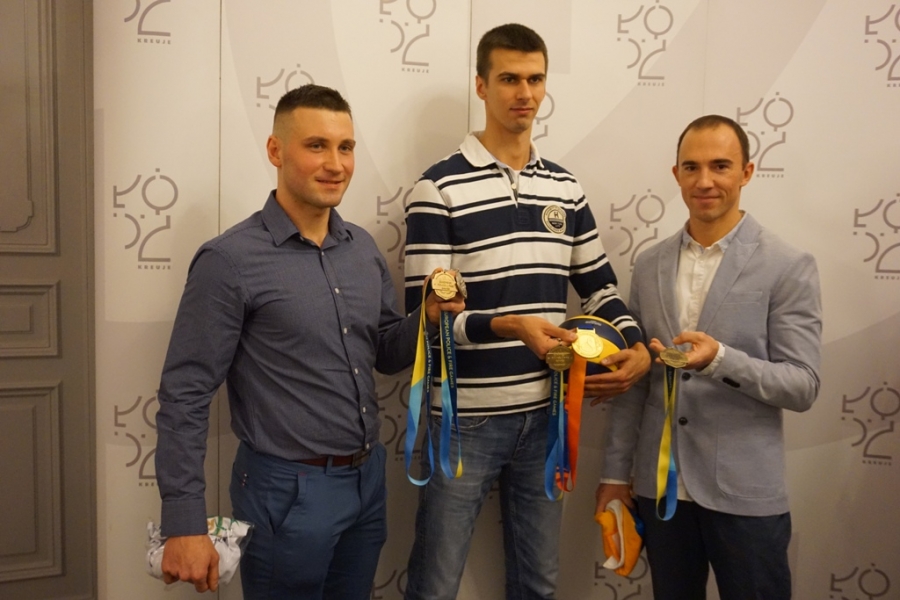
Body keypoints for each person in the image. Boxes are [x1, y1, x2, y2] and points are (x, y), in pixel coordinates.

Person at [154, 84, 463, 599]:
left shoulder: (362, 249)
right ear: (276, 151)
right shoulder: (229, 261)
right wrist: (183, 522)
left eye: (346, 147)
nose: (335, 164)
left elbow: (386, 353)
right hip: (284, 492)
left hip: (367, 482)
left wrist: (427, 317)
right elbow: (184, 394)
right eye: (316, 146)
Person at [403, 23, 651, 599]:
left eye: (535, 79)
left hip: (547, 416)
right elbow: (427, 320)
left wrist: (636, 344)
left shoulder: (565, 188)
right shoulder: (437, 188)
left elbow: (600, 289)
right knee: (435, 586)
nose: (525, 93)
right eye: (509, 79)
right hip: (464, 423)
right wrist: (512, 327)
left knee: (538, 585)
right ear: (481, 85)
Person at [596, 115, 822, 600]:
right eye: (691, 167)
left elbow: (802, 385)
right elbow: (637, 381)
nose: (704, 181)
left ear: (747, 172)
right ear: (675, 174)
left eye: (720, 166)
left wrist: (720, 359)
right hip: (661, 490)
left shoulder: (788, 265)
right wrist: (615, 475)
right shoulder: (649, 264)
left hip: (745, 493)